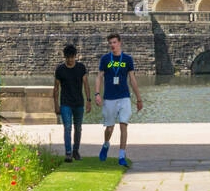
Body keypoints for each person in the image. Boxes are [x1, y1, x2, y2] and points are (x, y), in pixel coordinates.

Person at [95, 32, 143, 167]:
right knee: (109, 128)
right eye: (110, 43)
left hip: (124, 96)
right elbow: (99, 77)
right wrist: (97, 94)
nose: (112, 45)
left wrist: (139, 98)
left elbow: (132, 79)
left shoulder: (127, 59)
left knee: (123, 125)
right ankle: (106, 144)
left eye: (114, 42)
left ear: (120, 43)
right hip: (109, 97)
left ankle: (122, 155)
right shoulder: (105, 59)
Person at [53, 44, 89, 162]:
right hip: (65, 103)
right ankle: (68, 153)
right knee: (67, 127)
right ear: (65, 57)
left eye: (71, 57)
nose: (69, 60)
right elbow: (56, 88)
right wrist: (56, 105)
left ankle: (75, 151)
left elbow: (86, 85)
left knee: (78, 128)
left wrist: (89, 100)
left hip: (78, 102)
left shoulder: (81, 68)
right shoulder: (60, 69)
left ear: (75, 56)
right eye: (67, 57)